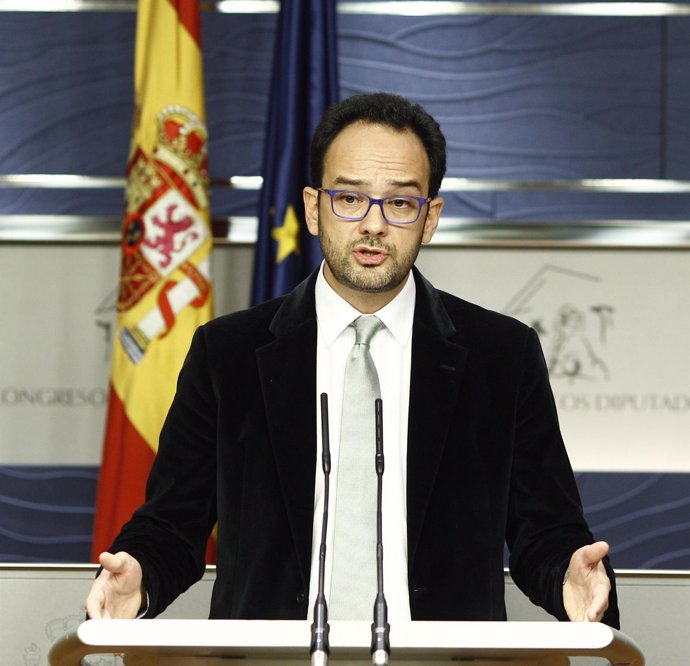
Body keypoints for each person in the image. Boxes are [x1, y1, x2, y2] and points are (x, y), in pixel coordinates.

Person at [86, 92, 619, 627]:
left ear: (430, 218)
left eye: (401, 202)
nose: (373, 224)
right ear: (315, 209)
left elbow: (545, 530)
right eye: (350, 198)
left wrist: (570, 576)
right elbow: (174, 522)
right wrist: (140, 573)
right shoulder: (228, 353)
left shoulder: (500, 355)